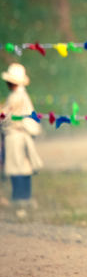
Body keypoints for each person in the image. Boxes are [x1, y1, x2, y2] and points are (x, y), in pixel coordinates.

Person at [0, 63, 43, 214]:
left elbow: (6, 117)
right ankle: (25, 197)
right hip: (20, 136)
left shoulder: (16, 97)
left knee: (17, 168)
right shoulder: (21, 96)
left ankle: (20, 198)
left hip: (16, 136)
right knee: (23, 167)